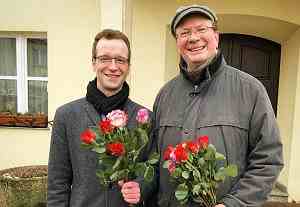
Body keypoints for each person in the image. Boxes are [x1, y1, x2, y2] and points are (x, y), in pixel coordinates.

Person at [151, 5, 284, 207]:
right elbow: (154, 161)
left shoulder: (250, 90)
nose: (193, 38)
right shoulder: (165, 95)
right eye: (184, 33)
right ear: (177, 42)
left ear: (216, 36)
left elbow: (268, 160)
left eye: (201, 29)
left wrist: (234, 203)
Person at [47, 29, 153, 207]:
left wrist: (142, 187)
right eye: (104, 58)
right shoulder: (66, 116)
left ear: (128, 66)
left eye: (120, 60)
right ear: (93, 63)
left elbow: (154, 170)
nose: (113, 66)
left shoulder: (144, 118)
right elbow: (58, 183)